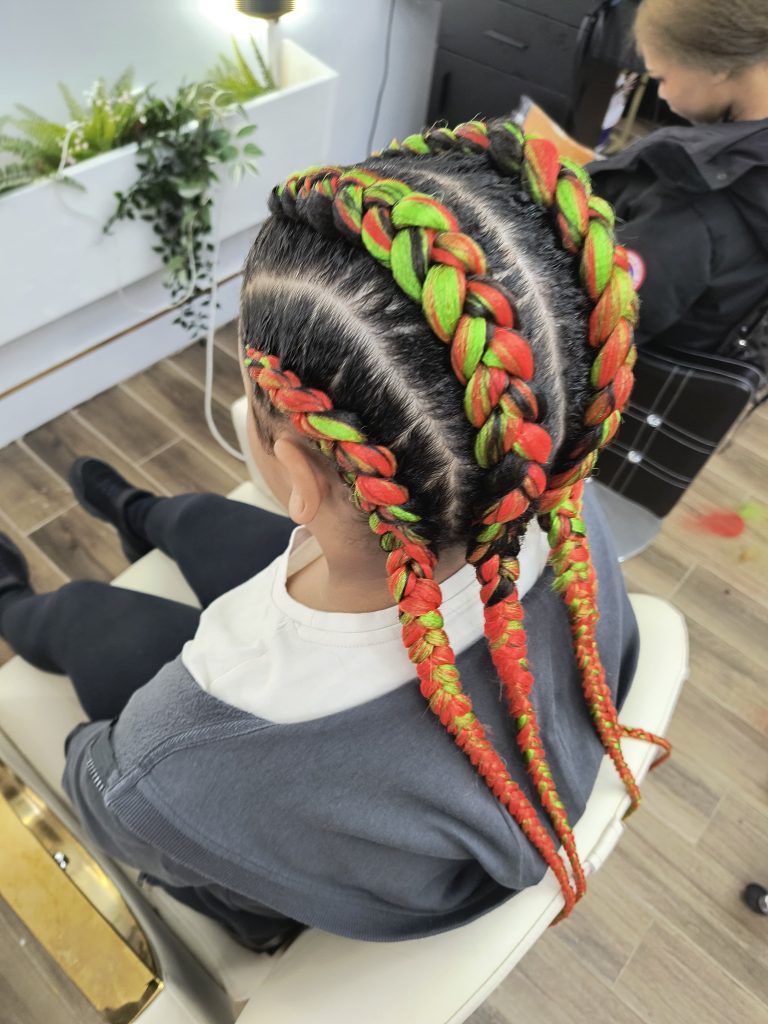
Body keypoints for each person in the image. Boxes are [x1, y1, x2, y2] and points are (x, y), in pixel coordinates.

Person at [0, 119, 667, 950]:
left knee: (83, 617)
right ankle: (143, 514)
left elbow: (113, 803)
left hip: (277, 845)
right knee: (201, 519)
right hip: (404, 702)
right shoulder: (548, 490)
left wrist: (89, 752)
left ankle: (14, 599)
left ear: (302, 474)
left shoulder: (177, 750)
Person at [586, 0, 768, 364]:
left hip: (631, 387)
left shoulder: (691, 202)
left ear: (717, 67)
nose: (663, 96)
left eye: (660, 79)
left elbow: (594, 326)